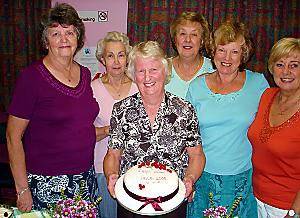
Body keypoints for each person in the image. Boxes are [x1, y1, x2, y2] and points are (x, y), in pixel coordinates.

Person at [6, 3, 99, 212]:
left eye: (69, 32)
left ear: (79, 37)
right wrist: (22, 190)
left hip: (85, 179)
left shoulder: (85, 74)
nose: (64, 39)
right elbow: (13, 137)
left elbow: (80, 127)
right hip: (46, 183)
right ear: (46, 41)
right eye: (56, 33)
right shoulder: (31, 78)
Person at [103, 41, 206, 218]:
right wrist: (111, 174)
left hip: (171, 203)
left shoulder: (184, 109)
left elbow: (196, 155)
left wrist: (190, 179)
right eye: (141, 71)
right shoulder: (121, 110)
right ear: (134, 75)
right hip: (131, 203)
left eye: (153, 70)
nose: (147, 77)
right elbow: (113, 154)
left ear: (165, 72)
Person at [186, 20, 269, 218]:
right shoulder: (197, 86)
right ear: (213, 51)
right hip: (202, 177)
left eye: (234, 51)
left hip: (242, 179)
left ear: (243, 54)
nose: (227, 58)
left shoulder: (259, 84)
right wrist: (188, 178)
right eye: (222, 50)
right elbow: (187, 137)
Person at [248, 37, 300, 218]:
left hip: (287, 206)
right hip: (256, 199)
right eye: (280, 64)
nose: (286, 72)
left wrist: (293, 213)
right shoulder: (267, 95)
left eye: (294, 65)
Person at [92, 31, 138, 218]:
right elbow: (83, 133)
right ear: (103, 59)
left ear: (127, 58)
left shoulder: (139, 86)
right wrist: (111, 129)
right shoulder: (92, 89)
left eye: (121, 55)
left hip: (134, 168)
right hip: (101, 166)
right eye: (110, 56)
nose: (116, 62)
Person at [165, 11, 214, 99]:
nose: (187, 40)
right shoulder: (161, 68)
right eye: (183, 34)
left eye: (194, 34)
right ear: (175, 39)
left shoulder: (214, 70)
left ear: (202, 40)